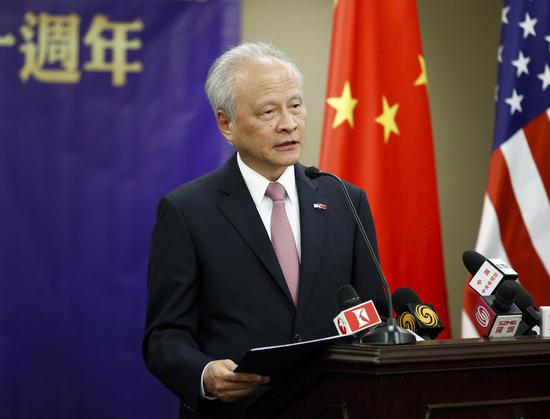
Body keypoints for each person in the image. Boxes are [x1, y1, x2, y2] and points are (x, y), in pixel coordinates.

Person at [143, 42, 386, 418]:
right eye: (268, 111)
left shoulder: (343, 198)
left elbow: (375, 313)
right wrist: (205, 375)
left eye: (296, 105)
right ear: (226, 123)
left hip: (334, 408)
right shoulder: (188, 211)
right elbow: (164, 336)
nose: (288, 123)